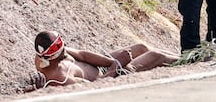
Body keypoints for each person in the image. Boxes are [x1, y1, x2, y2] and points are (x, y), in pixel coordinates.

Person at [25, 30, 179, 92]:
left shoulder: (57, 54)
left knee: (141, 47)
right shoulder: (58, 77)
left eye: (61, 41)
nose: (64, 47)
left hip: (106, 68)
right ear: (49, 56)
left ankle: (182, 57)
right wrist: (117, 66)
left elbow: (83, 55)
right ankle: (189, 62)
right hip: (110, 77)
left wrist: (112, 61)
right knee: (154, 56)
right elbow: (93, 89)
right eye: (57, 46)